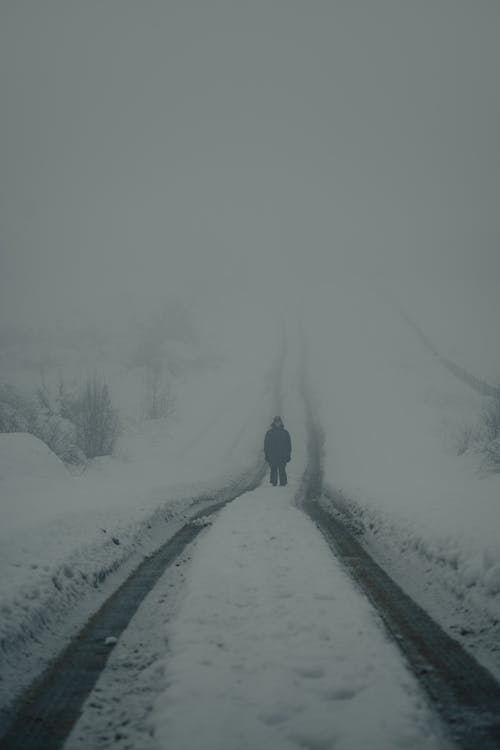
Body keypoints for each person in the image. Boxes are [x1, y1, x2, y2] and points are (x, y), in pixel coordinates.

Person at [264, 416, 291, 486]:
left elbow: (289, 445)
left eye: (278, 422)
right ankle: (274, 484)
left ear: (281, 422)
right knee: (273, 470)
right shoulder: (269, 433)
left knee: (282, 469)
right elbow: (266, 445)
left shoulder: (285, 433)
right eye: (276, 422)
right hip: (273, 455)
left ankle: (283, 484)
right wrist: (267, 455)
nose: (277, 423)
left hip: (282, 455)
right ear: (274, 422)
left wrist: (288, 455)